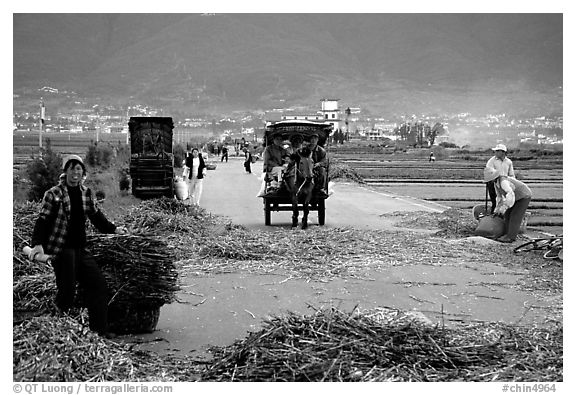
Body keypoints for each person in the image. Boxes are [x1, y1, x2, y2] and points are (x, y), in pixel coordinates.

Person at [27, 155, 127, 338]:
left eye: (79, 169)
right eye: (72, 169)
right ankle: (53, 332)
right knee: (67, 291)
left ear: (83, 173)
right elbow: (43, 220)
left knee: (98, 286)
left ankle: (99, 332)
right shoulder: (53, 194)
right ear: (65, 172)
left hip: (81, 249)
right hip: (61, 249)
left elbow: (97, 217)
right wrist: (38, 245)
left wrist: (114, 229)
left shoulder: (86, 193)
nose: (76, 172)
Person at [483, 167, 532, 243]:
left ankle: (511, 237)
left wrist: (505, 207)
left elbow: (510, 194)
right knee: (507, 215)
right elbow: (499, 197)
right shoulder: (496, 183)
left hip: (523, 196)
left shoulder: (503, 182)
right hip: (515, 197)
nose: (489, 183)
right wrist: (497, 209)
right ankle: (506, 233)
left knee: (515, 216)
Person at [485, 143, 515, 214]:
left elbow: (511, 175)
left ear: (503, 152)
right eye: (495, 151)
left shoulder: (508, 162)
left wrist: (512, 183)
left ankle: (504, 215)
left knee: (506, 199)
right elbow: (489, 172)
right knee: (495, 201)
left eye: (497, 151)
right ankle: (493, 215)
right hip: (493, 183)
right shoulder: (491, 161)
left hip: (505, 183)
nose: (495, 152)